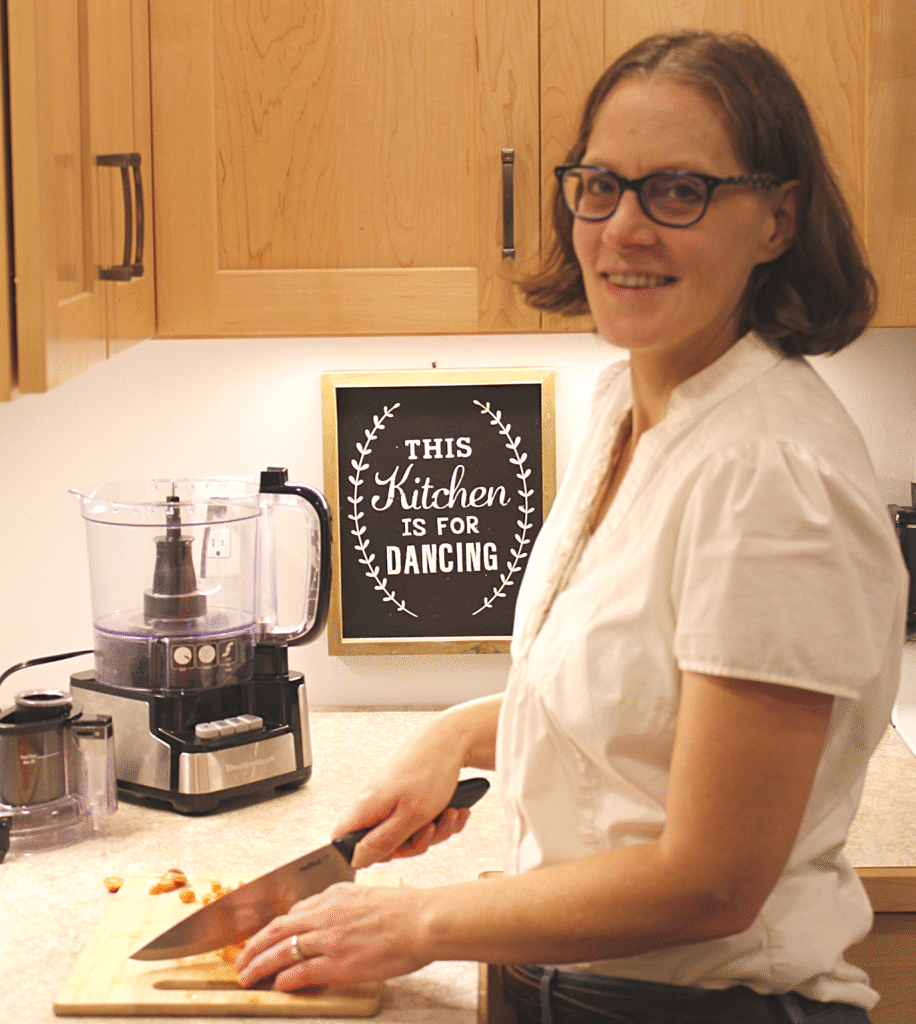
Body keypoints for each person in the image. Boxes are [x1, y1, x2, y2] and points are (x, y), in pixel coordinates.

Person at [235, 30, 908, 1023]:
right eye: (601, 184)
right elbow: (640, 716)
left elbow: (713, 879)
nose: (624, 228)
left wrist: (414, 925)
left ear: (777, 216)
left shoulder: (769, 477)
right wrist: (458, 735)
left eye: (677, 190)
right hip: (576, 986)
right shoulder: (625, 408)